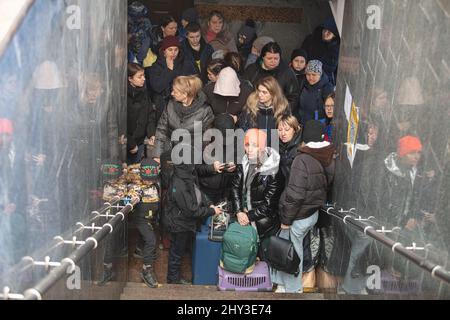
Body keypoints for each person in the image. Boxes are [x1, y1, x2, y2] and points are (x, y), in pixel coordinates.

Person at [274, 120, 335, 293]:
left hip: (298, 215)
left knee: (292, 251)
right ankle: (282, 283)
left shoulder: (302, 159)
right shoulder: (328, 157)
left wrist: (286, 219)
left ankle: (293, 289)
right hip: (312, 212)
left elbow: (295, 194)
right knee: (289, 246)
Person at [164, 146, 223, 284]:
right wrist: (212, 211)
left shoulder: (186, 173)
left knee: (180, 252)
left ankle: (176, 278)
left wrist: (208, 203)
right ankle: (172, 283)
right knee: (176, 254)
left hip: (185, 223)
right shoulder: (179, 183)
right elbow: (191, 210)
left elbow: (197, 192)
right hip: (179, 224)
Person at [230, 129, 283, 247]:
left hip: (264, 226)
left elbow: (269, 205)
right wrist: (239, 211)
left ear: (262, 147)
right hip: (244, 220)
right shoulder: (244, 162)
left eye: (254, 145)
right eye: (247, 145)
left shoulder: (273, 170)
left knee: (264, 260)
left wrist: (248, 216)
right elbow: (235, 187)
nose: (249, 149)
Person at [153, 75, 214, 164]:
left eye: (175, 91)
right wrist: (158, 155)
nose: (172, 93)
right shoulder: (170, 105)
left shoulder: (205, 111)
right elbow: (161, 130)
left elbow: (206, 139)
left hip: (191, 160)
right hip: (169, 155)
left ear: (185, 94)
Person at [147, 35, 197, 122]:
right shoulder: (156, 67)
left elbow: (195, 82)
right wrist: (169, 70)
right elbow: (157, 87)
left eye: (176, 49)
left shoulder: (186, 64)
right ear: (164, 51)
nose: (173, 53)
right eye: (170, 50)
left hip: (184, 99)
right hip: (164, 102)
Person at [196, 114, 238, 204]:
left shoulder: (236, 143)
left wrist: (234, 167)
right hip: (205, 191)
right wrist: (212, 168)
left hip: (225, 191)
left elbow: (241, 168)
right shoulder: (203, 143)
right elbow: (195, 169)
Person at [238, 76, 290, 147]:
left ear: (273, 94)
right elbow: (243, 128)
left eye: (264, 92)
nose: (260, 94)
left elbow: (288, 131)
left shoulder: (282, 108)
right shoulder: (251, 106)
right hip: (254, 148)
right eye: (259, 91)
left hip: (277, 148)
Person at [244, 42, 299, 109]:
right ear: (263, 57)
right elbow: (244, 90)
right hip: (253, 109)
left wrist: (282, 111)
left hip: (277, 112)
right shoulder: (252, 69)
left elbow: (293, 97)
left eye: (276, 58)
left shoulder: (287, 72)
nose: (273, 61)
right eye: (269, 58)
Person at [127, 63, 156, 164]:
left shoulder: (144, 93)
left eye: (143, 75)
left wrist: (151, 133)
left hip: (140, 142)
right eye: (139, 77)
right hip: (127, 144)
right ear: (130, 79)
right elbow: (119, 123)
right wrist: (130, 143)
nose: (143, 79)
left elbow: (150, 115)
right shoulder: (123, 96)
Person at [301, 17, 340, 86]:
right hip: (308, 77)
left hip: (325, 82)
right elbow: (301, 56)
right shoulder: (311, 40)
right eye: (324, 30)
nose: (325, 33)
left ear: (334, 35)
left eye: (329, 32)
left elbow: (337, 71)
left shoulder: (337, 49)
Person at [297, 60, 334, 125]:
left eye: (314, 75)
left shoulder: (327, 88)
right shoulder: (303, 83)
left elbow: (330, 110)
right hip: (302, 122)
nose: (311, 78)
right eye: (308, 74)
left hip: (318, 125)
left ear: (320, 74)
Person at [277, 114, 303, 186]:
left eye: (287, 130)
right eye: (280, 130)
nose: (283, 133)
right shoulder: (277, 146)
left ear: (295, 130)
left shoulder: (301, 148)